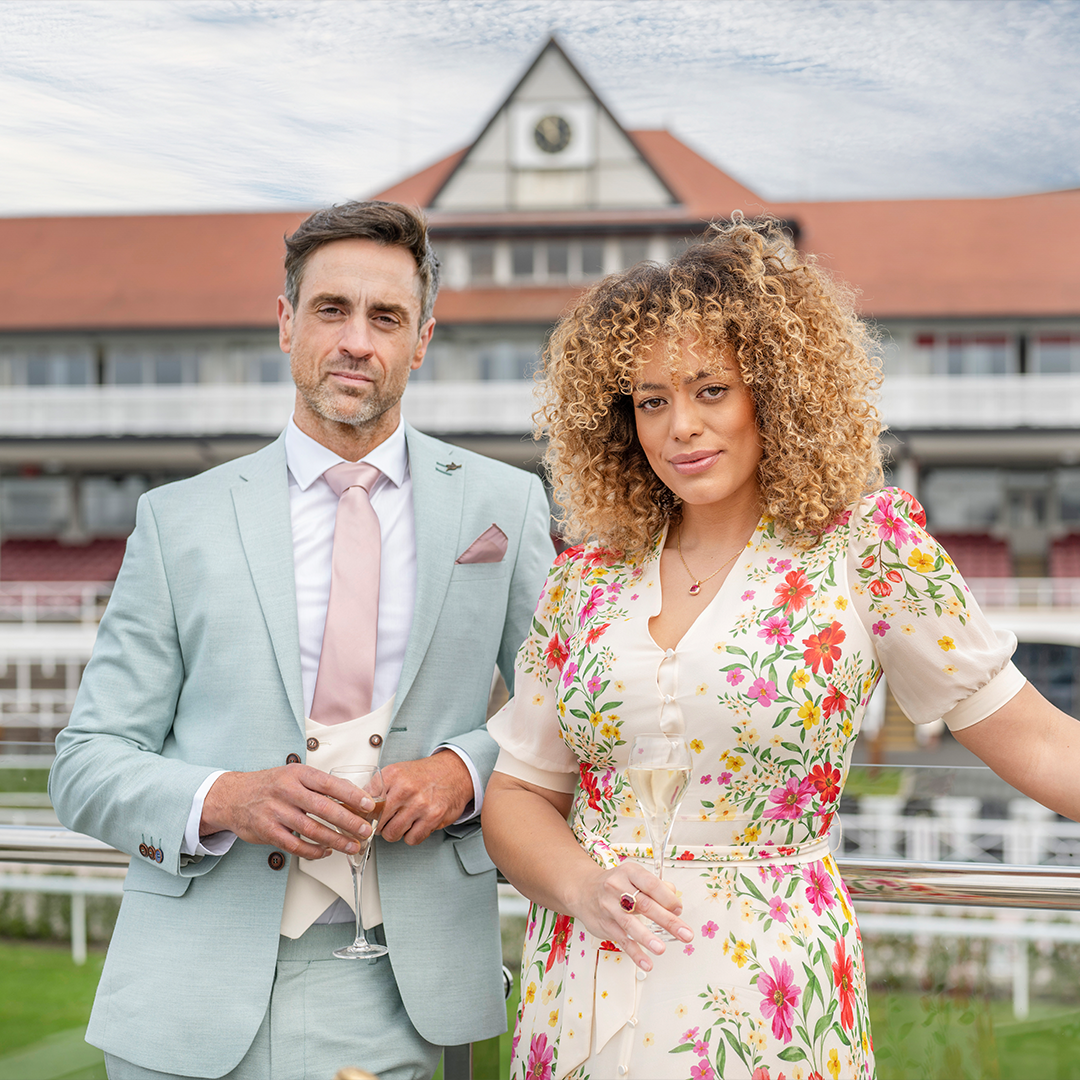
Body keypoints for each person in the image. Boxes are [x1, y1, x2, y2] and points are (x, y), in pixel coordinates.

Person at [481, 217, 1080, 1080]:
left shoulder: (867, 552)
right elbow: (518, 796)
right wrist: (581, 886)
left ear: (775, 389)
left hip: (771, 1006)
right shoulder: (584, 582)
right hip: (580, 996)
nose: (681, 427)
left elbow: (1039, 741)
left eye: (711, 390)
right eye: (651, 401)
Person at [49, 201, 553, 1080]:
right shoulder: (177, 520)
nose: (356, 341)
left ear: (422, 340)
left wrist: (463, 772)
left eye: (385, 317)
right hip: (185, 992)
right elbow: (86, 764)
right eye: (331, 310)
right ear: (287, 324)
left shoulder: (503, 506)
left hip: (400, 993)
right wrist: (225, 798)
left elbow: (565, 715)